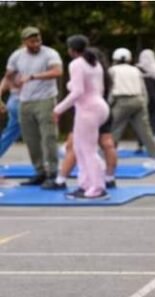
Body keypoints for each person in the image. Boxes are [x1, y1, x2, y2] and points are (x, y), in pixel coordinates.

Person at [3, 27, 63, 188]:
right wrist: (10, 85)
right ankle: (39, 172)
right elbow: (8, 74)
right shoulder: (17, 55)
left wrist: (33, 76)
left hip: (45, 100)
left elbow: (58, 71)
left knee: (49, 137)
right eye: (32, 41)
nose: (36, 44)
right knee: (31, 139)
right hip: (24, 101)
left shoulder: (50, 53)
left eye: (38, 40)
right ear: (24, 42)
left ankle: (53, 172)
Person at [53, 35, 110, 200]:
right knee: (80, 148)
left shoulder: (76, 64)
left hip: (89, 109)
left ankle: (97, 187)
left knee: (87, 150)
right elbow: (93, 88)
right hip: (97, 106)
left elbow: (77, 92)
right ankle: (85, 184)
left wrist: (58, 109)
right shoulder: (95, 62)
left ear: (71, 50)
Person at [109, 48, 155, 169]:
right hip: (138, 100)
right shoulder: (135, 70)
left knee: (113, 131)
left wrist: (109, 105)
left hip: (121, 100)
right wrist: (144, 103)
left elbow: (111, 89)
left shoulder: (112, 71)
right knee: (145, 131)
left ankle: (106, 159)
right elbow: (143, 89)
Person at [0, 72, 21, 159]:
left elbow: (6, 77)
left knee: (10, 132)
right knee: (38, 130)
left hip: (14, 100)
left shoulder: (14, 60)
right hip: (22, 101)